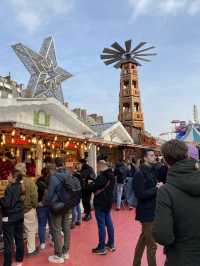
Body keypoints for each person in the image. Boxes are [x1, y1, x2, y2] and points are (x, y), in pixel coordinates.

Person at [152, 140, 200, 266]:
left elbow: (163, 236)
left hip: (180, 258)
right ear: (186, 155)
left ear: (166, 161)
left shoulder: (166, 192)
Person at [133, 149, 162, 266]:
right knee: (152, 245)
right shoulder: (139, 174)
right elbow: (140, 194)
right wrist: (156, 188)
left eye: (154, 155)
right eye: (151, 155)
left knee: (143, 240)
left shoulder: (152, 171)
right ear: (145, 158)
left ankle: (136, 264)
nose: (154, 157)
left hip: (151, 210)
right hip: (146, 213)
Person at [88, 160, 115, 255]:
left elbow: (94, 187)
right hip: (108, 201)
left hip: (100, 201)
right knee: (109, 223)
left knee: (101, 225)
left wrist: (90, 184)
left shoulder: (102, 176)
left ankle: (101, 247)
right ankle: (111, 244)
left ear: (101, 165)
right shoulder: (111, 174)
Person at [48, 157, 72, 264]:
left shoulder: (53, 177)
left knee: (56, 229)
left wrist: (47, 203)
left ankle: (58, 254)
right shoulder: (69, 174)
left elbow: (50, 194)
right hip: (68, 205)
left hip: (57, 206)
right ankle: (66, 251)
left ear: (55, 165)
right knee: (66, 228)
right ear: (63, 164)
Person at [0, 170, 25, 266]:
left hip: (9, 217)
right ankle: (19, 260)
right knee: (19, 238)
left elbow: (6, 203)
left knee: (8, 241)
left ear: (14, 178)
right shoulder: (21, 187)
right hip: (19, 216)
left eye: (9, 175)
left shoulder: (10, 188)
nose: (8, 176)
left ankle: (7, 263)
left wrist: (1, 199)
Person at [15, 163, 38, 257]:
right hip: (28, 209)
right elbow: (34, 196)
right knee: (30, 230)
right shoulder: (30, 181)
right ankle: (31, 250)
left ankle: (18, 249)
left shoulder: (13, 181)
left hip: (16, 211)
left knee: (17, 231)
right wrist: (34, 206)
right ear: (25, 170)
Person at [36, 166, 53, 249]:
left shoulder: (38, 181)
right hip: (51, 205)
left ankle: (42, 243)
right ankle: (53, 240)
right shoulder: (52, 180)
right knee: (52, 224)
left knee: (41, 224)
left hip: (41, 205)